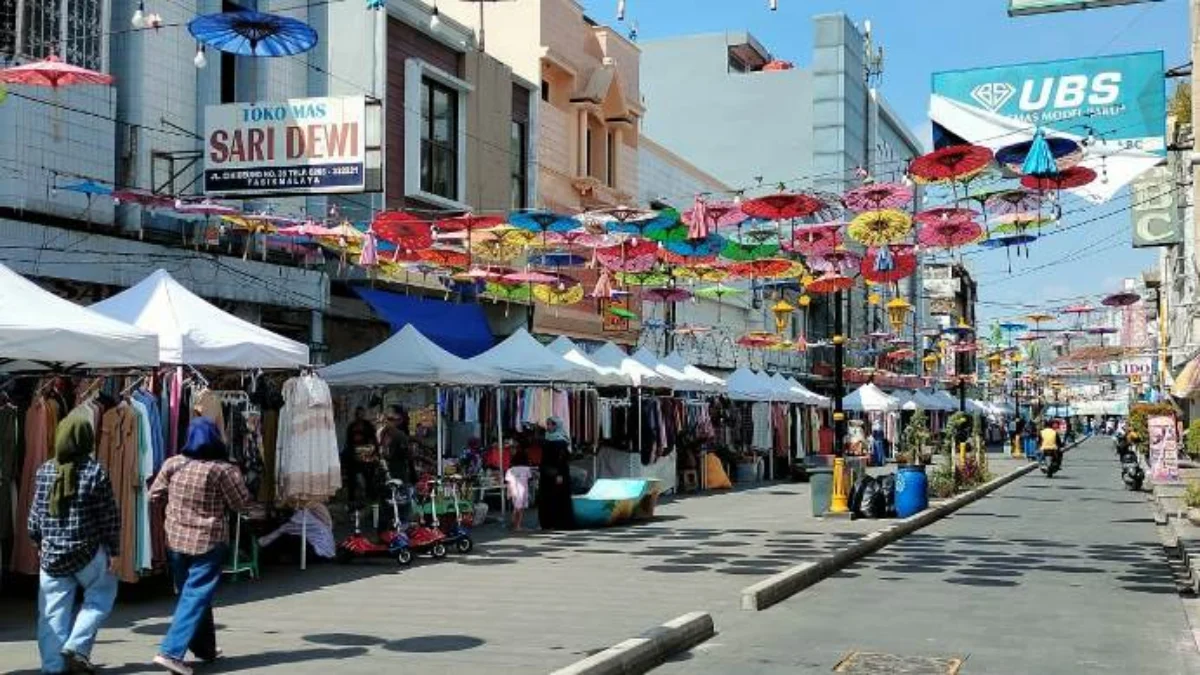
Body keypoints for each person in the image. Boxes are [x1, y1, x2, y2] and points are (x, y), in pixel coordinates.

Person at [150, 417, 252, 675]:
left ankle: (205, 648)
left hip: (175, 539)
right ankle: (171, 652)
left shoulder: (173, 463)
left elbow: (154, 496)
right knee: (195, 596)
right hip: (208, 540)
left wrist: (175, 509)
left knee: (193, 594)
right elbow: (241, 504)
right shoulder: (223, 470)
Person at [27, 414, 120, 675]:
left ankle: (52, 668)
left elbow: (35, 516)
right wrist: (114, 551)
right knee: (101, 596)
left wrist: (38, 540)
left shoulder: (44, 471)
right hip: (87, 552)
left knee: (51, 613)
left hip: (52, 555)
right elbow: (108, 516)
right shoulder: (95, 472)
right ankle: (77, 646)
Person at [537, 417, 575, 530]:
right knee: (546, 498)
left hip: (558, 474)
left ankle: (559, 523)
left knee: (557, 498)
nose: (548, 427)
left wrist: (559, 474)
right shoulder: (546, 438)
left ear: (556, 426)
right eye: (547, 424)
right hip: (546, 474)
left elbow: (562, 460)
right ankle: (547, 523)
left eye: (551, 425)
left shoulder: (561, 441)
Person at [342, 406, 379, 508]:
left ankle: (371, 496)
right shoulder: (351, 426)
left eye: (362, 413)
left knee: (369, 477)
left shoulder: (368, 425)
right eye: (358, 413)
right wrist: (351, 453)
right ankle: (352, 498)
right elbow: (348, 441)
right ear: (356, 414)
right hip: (353, 455)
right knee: (352, 478)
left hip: (366, 454)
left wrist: (374, 452)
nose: (360, 415)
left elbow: (374, 439)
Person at [381, 405, 416, 485]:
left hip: (391, 465)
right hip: (397, 466)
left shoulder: (386, 432)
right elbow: (407, 452)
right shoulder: (396, 433)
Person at [505, 450, 532, 532]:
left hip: (514, 490)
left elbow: (508, 481)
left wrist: (509, 492)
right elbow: (529, 478)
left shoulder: (510, 470)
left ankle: (514, 522)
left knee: (516, 507)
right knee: (520, 509)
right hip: (523, 490)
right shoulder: (527, 469)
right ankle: (518, 525)